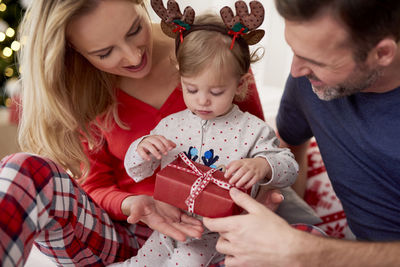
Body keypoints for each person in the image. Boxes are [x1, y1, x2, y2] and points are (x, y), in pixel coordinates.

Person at [0, 0, 268, 266]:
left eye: (134, 30)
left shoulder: (216, 53)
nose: (133, 57)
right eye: (105, 53)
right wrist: (131, 204)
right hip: (121, 236)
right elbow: (95, 185)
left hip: (207, 237)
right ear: (74, 50)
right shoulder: (84, 92)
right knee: (22, 169)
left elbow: (260, 149)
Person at [203, 0, 400, 266]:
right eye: (294, 51)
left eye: (315, 61)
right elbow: (291, 147)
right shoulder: (308, 80)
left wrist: (306, 251)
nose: (295, 71)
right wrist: (280, 211)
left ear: (383, 53)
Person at [116, 7, 298, 265]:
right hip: (170, 222)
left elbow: (290, 168)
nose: (202, 100)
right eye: (191, 89)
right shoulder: (171, 125)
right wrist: (142, 148)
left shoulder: (252, 129)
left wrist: (263, 165)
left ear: (241, 84)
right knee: (141, 261)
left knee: (184, 262)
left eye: (216, 92)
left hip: (218, 233)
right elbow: (138, 170)